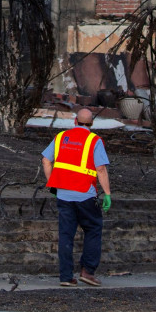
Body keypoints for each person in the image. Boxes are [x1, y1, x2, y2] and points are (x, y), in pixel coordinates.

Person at [42, 108, 112, 287]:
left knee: (66, 234)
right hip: (85, 193)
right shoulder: (94, 140)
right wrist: (108, 194)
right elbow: (101, 169)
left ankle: (66, 277)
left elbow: (46, 160)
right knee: (93, 229)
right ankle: (87, 272)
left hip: (63, 193)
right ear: (92, 124)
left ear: (75, 122)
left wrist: (52, 183)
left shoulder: (61, 137)